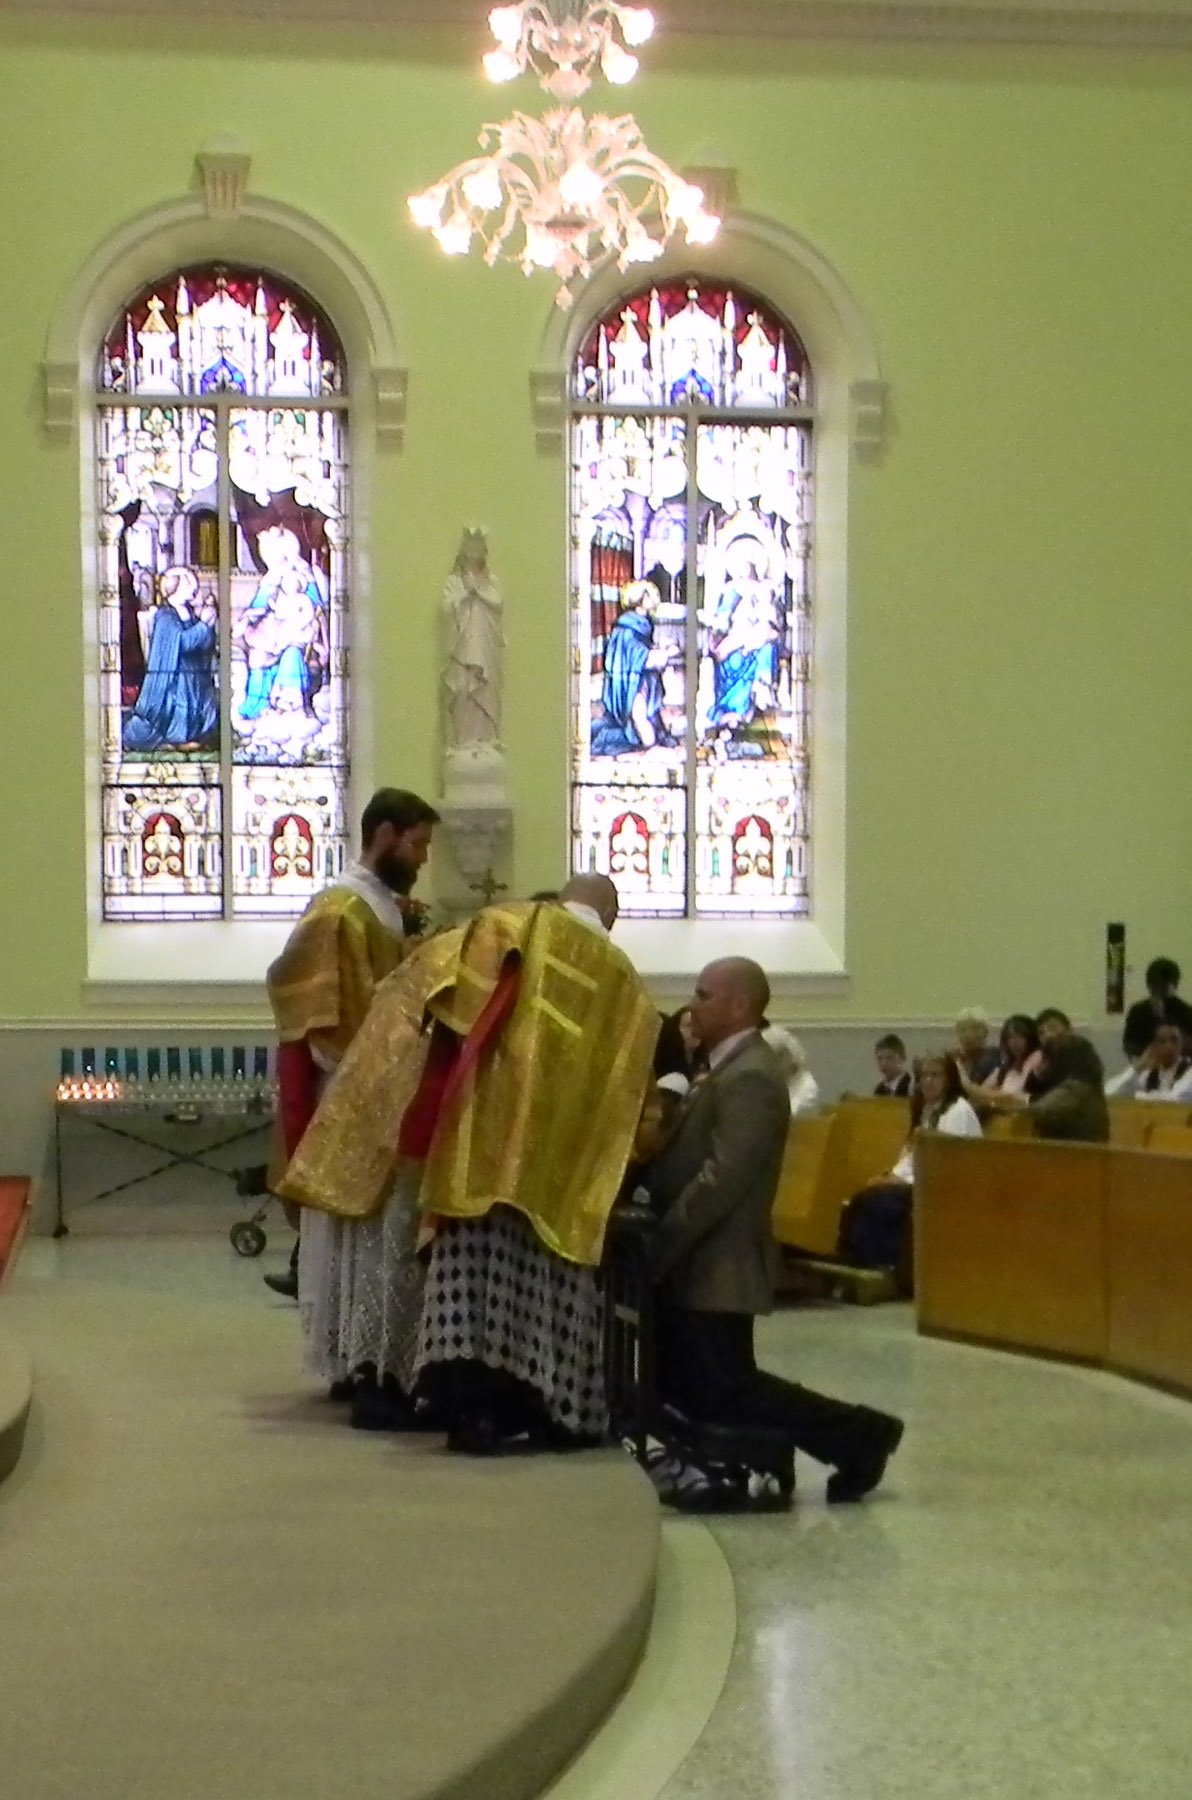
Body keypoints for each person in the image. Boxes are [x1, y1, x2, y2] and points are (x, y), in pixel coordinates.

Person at [281, 876, 660, 1453]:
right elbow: (629, 1097)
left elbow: (448, 1006)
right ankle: (536, 1404)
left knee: (439, 1269)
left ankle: (415, 1391)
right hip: (557, 1174)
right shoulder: (628, 985)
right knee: (533, 1285)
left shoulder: (511, 924)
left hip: (473, 1141)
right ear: (610, 916)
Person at [645, 957, 904, 1510]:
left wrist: (665, 1237)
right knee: (713, 1387)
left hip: (719, 1259)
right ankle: (841, 1439)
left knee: (729, 1386)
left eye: (704, 994)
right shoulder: (723, 1066)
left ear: (740, 1004)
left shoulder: (752, 1076)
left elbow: (722, 1178)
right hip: (701, 1256)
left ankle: (861, 1433)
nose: (693, 1004)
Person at [264, 788, 438, 1413]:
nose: (423, 858)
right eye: (417, 844)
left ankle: (363, 1355)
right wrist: (370, 1062)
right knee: (360, 1232)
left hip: (387, 1088)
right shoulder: (338, 909)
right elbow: (300, 993)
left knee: (372, 1234)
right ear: (384, 834)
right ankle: (359, 1365)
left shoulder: (384, 908)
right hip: (351, 1090)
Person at [838, 1054, 982, 1290]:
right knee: (863, 1198)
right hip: (920, 1181)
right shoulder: (927, 1110)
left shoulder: (958, 1111)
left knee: (882, 1203)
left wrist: (898, 1182)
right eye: (924, 1076)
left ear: (949, 1079)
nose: (929, 1081)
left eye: (936, 1075)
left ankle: (890, 1269)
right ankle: (865, 1263)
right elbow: (911, 1155)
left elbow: (945, 1163)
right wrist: (892, 1176)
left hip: (946, 1187)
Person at [122, 567, 218, 752]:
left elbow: (201, 642)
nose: (193, 588)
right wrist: (203, 625)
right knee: (180, 703)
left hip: (194, 672)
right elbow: (182, 643)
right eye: (188, 584)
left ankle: (197, 734)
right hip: (175, 676)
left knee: (201, 701)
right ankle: (177, 738)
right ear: (176, 587)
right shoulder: (166, 617)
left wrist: (209, 625)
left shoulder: (189, 612)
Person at [975, 1032, 1110, 1142]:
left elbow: (1035, 1112)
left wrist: (994, 1108)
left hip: (1072, 1159)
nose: (1041, 1064)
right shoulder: (1085, 1087)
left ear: (1061, 1062)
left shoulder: (1074, 1089)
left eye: (1046, 1059)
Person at [591, 581, 674, 755]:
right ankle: (649, 747)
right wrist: (663, 653)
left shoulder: (643, 623)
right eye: (648, 595)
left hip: (642, 678)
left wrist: (660, 649)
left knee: (646, 715)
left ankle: (650, 745)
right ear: (640, 599)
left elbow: (643, 649)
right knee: (638, 715)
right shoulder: (627, 626)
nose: (652, 599)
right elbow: (636, 654)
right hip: (631, 678)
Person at [1122, 958, 1192, 1059]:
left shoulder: (1185, 1011)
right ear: (1149, 985)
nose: (1159, 991)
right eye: (1156, 986)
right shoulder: (1138, 1011)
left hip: (1179, 1065)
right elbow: (1128, 1045)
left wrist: (1162, 1017)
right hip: (1146, 1064)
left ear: (1175, 985)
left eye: (1164, 987)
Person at [1105, 1022, 1192, 1102]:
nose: (1169, 1046)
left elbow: (1177, 1099)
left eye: (1174, 1040)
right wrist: (1138, 1067)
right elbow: (1110, 1093)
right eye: (1162, 1041)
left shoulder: (1189, 1071)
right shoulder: (1147, 1074)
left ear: (1182, 1043)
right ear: (1153, 1046)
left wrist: (1138, 1096)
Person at [761, 1023, 820, 1115]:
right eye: (767, 1057)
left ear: (790, 1055)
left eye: (779, 1055)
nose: (773, 1062)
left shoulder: (806, 1088)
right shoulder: (769, 1085)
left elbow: (793, 1117)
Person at [982, 1014, 1042, 1096]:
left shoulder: (1037, 1059)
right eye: (1010, 1037)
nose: (1014, 1042)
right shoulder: (1004, 1068)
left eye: (1020, 1036)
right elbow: (982, 1091)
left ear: (1031, 1038)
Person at [952, 1008, 1000, 1086]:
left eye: (975, 1029)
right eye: (963, 1029)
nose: (968, 1034)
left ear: (985, 1032)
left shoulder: (996, 1058)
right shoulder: (951, 1059)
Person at [873, 1033, 912, 1097]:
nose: (884, 1063)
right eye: (880, 1058)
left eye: (890, 1057)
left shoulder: (911, 1087)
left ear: (903, 1057)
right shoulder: (879, 1090)